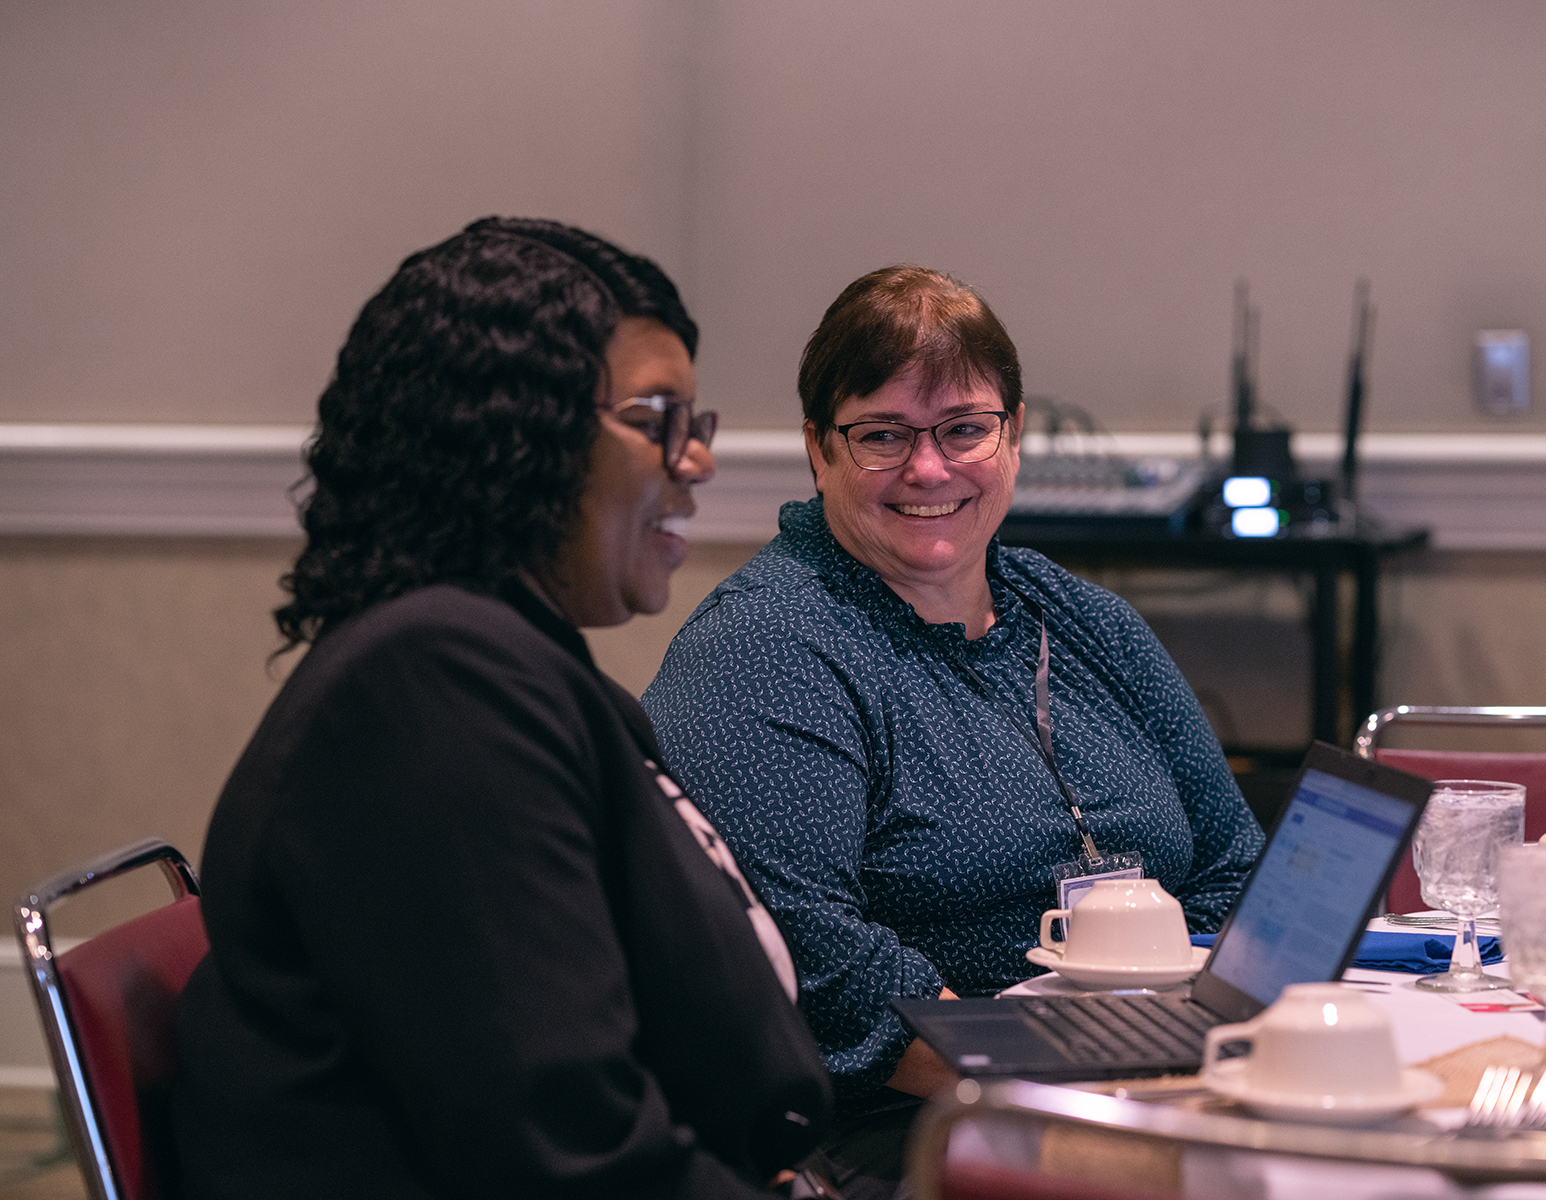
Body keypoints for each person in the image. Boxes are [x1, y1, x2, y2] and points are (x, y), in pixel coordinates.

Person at [173, 217, 831, 1200]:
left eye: (697, 426)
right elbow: (572, 1159)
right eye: (658, 419)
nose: (695, 463)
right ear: (517, 427)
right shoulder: (432, 691)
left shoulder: (514, 668)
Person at [642, 265, 1265, 1190]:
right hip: (908, 1133)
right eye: (883, 435)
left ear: (1011, 437)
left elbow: (1233, 862)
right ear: (819, 450)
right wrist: (1090, 1086)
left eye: (966, 429)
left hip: (1154, 1082)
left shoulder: (1084, 621)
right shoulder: (764, 649)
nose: (929, 469)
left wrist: (1186, 1047)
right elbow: (819, 972)